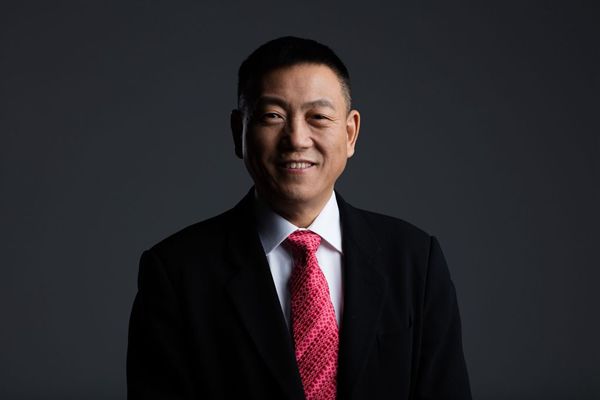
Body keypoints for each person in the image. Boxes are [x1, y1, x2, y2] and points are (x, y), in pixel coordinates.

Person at [127, 36, 472, 400]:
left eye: (318, 117)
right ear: (238, 132)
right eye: (272, 116)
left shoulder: (415, 261)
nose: (296, 139)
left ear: (350, 133)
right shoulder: (176, 273)